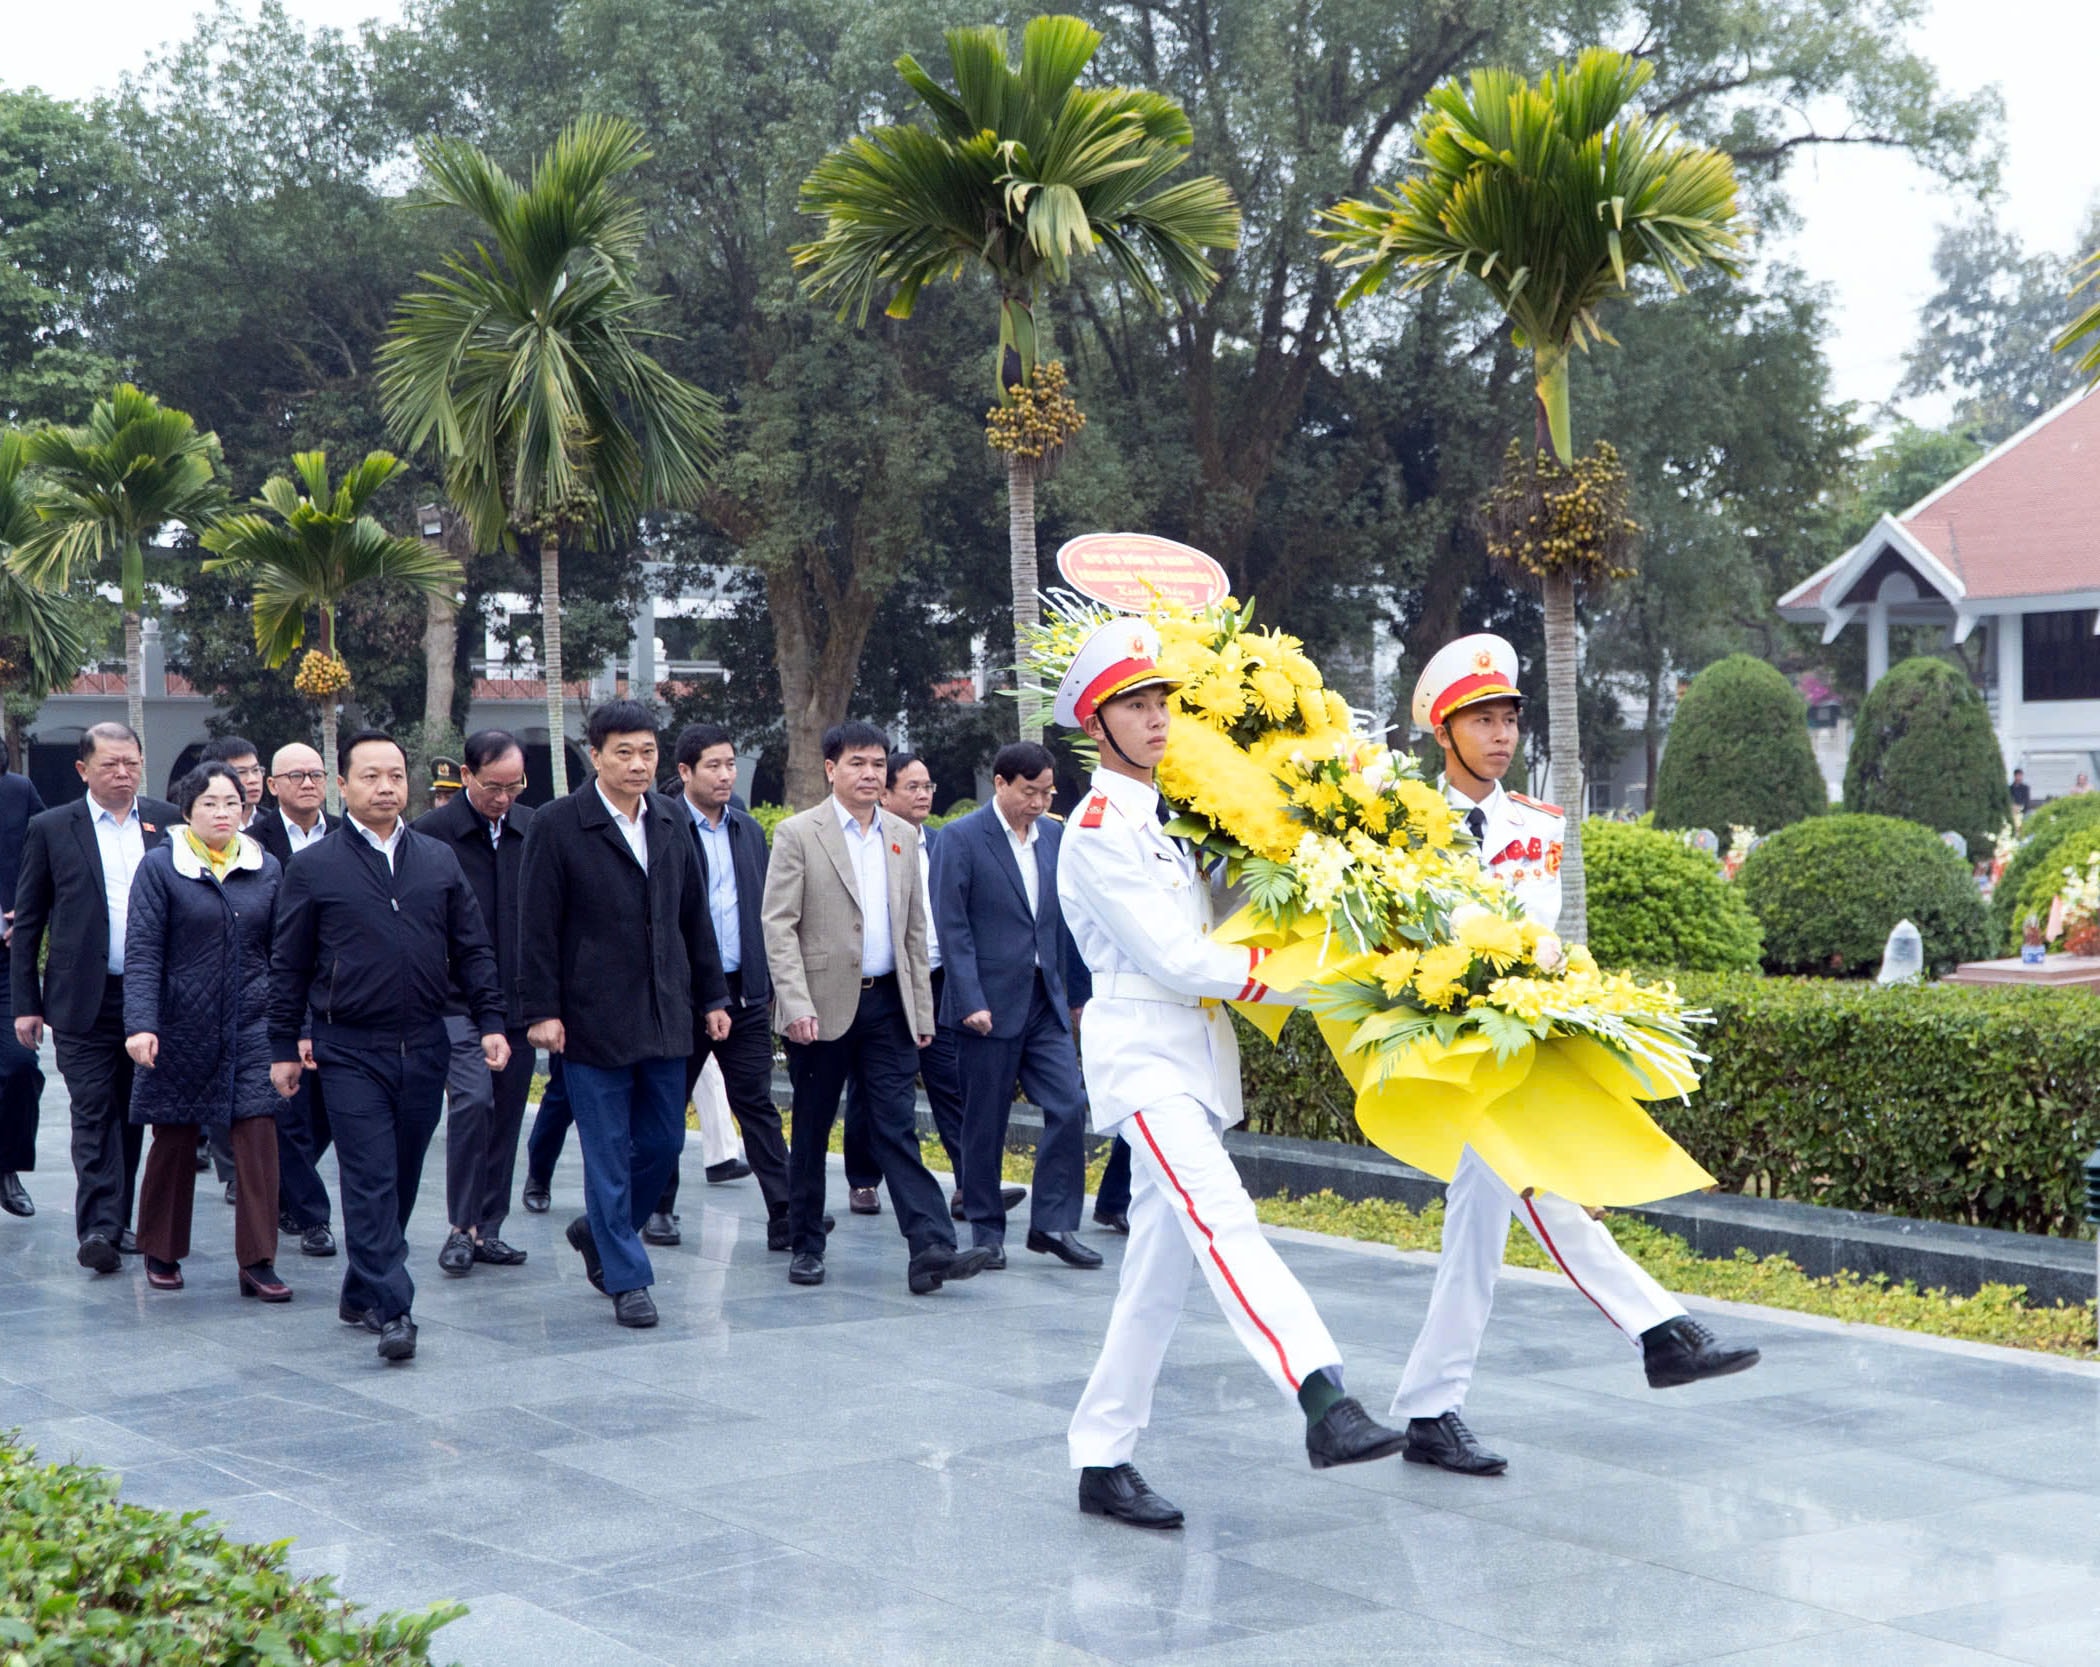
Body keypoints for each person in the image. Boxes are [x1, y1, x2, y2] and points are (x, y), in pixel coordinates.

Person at [1054, 620, 1405, 1529]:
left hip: (1192, 1058)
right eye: (1136, 704)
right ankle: (1323, 1396)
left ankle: (1102, 1456)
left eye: (1163, 700)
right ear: (1097, 723)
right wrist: (1285, 978)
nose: (1159, 717)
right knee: (1225, 1216)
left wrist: (1316, 843)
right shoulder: (1096, 830)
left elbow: (1225, 912)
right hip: (1143, 1059)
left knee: (1155, 1278)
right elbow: (1176, 956)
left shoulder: (1164, 825)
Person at [1390, 634, 1759, 1477]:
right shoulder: (1406, 830)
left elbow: (1541, 935)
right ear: (1442, 733)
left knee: (1477, 1232)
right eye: (1480, 719)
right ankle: (1662, 1330)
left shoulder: (1537, 823)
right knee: (1536, 1187)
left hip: (1521, 1043)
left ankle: (1429, 1410)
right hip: (1453, 1051)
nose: (1499, 734)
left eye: (1508, 718)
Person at [269, 730, 508, 1362]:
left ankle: (360, 1290)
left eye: (395, 776)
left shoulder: (436, 859)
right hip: (348, 1048)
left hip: (426, 1043)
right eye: (370, 776)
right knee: (370, 1177)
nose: (385, 787)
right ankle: (395, 1308)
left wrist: (491, 1021)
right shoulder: (315, 866)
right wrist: (283, 1047)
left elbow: (475, 948)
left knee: (401, 1177)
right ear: (342, 785)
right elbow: (288, 965)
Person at [519, 700, 730, 1330]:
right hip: (590, 1018)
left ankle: (600, 1230)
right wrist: (542, 1011)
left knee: (663, 1144)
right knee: (607, 1151)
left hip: (667, 1014)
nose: (638, 765)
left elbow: (694, 918)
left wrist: (714, 997)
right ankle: (628, 1278)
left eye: (647, 752)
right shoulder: (559, 824)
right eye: (624, 753)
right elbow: (536, 927)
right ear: (596, 755)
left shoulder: (670, 819)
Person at [761, 721, 991, 1295]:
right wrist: (794, 1003)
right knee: (812, 1128)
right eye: (857, 762)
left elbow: (914, 928)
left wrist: (920, 1011)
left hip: (888, 1004)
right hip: (820, 1007)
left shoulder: (902, 834)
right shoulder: (798, 833)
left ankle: (931, 1247)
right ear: (830, 768)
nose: (870, 773)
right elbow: (778, 926)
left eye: (877, 763)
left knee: (895, 1127)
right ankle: (806, 1243)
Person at [12, 723, 178, 1273]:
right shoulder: (53, 827)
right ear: (84, 770)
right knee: (93, 1110)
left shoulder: (167, 824)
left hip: (150, 999)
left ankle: (119, 1219)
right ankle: (99, 1228)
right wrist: (25, 1004)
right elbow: (29, 921)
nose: (123, 773)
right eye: (111, 764)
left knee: (131, 1114)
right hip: (82, 997)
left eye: (131, 762)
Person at [123, 762, 290, 1300]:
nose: (223, 813)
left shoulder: (267, 867)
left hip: (253, 1020)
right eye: (211, 803)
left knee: (258, 1135)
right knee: (173, 1135)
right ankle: (161, 1247)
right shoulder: (161, 867)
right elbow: (144, 951)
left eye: (233, 803)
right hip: (180, 1022)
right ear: (188, 811)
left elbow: (285, 953)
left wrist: (294, 1028)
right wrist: (142, 1024)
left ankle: (259, 1260)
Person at [934, 740, 1099, 1270]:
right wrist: (967, 998)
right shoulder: (961, 838)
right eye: (1030, 791)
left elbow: (1066, 922)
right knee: (985, 1122)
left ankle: (1052, 1225)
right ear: (1000, 783)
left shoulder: (1054, 835)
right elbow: (952, 927)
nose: (1039, 802)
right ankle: (986, 1230)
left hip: (1043, 1001)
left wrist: (1076, 996)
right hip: (985, 1005)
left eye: (1047, 792)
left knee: (1070, 1105)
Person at [842, 752, 1023, 1224]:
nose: (923, 795)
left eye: (928, 787)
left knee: (950, 1082)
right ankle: (863, 1179)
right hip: (885, 984)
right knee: (872, 1088)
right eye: (912, 787)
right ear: (886, 794)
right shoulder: (871, 845)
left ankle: (969, 1184)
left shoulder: (943, 843)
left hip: (938, 982)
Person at [643, 723, 794, 1251]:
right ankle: (658, 1208)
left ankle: (785, 1212)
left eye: (731, 764)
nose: (726, 774)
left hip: (745, 991)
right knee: (667, 1104)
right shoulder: (662, 826)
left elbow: (766, 913)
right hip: (681, 994)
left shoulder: (748, 831)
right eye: (714, 765)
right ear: (684, 771)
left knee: (756, 1102)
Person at [413, 730, 536, 1276]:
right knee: (473, 1101)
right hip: (454, 1002)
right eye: (494, 786)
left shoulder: (533, 831)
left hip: (519, 1001)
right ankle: (461, 1227)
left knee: (507, 1112)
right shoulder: (431, 836)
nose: (504, 798)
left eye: (516, 786)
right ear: (466, 776)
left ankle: (490, 1229)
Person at [251, 741, 339, 1258]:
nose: (308, 783)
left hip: (339, 993)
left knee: (327, 1110)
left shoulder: (347, 837)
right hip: (276, 990)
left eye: (316, 774)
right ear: (272, 786)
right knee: (288, 1108)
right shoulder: (252, 843)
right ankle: (313, 1217)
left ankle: (290, 1191)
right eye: (296, 775)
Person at [197, 736, 269, 1200]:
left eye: (255, 770)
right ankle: (230, 1168)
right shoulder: (184, 845)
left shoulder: (274, 836)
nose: (250, 781)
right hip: (202, 986)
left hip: (261, 984)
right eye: (238, 773)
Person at [0, 738, 46, 1220]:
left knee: (19, 1066)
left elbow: (49, 855)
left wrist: (30, 912)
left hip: (6, 959)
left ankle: (6, 1166)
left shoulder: (17, 791)